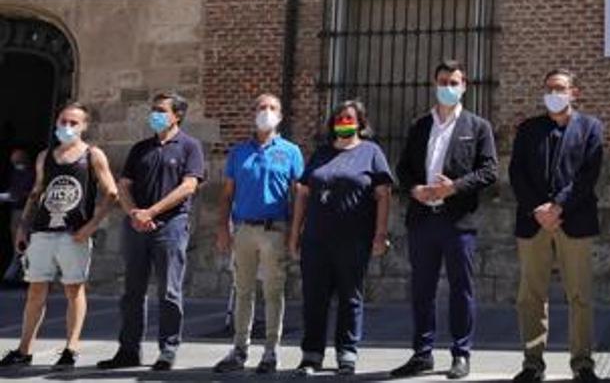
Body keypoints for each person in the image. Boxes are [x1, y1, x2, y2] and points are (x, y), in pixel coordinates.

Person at [391, 60, 498, 380]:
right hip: (423, 219)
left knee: (460, 289)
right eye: (443, 81)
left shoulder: (478, 127)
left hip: (457, 221)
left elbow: (489, 171)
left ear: (464, 86)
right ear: (434, 83)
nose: (448, 87)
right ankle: (422, 354)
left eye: (454, 82)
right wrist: (414, 189)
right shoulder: (419, 125)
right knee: (421, 289)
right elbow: (404, 168)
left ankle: (461, 354)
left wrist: (454, 188)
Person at [0, 104, 117, 370]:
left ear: (84, 126)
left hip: (73, 233)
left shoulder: (92, 155)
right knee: (35, 290)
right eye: (63, 121)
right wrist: (23, 226)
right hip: (42, 231)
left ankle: (71, 348)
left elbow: (111, 192)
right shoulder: (46, 156)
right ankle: (24, 349)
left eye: (74, 123)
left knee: (73, 289)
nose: (67, 126)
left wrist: (91, 226)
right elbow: (36, 192)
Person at [508, 69, 604, 383]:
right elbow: (517, 173)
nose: (554, 93)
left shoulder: (590, 128)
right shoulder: (528, 129)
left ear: (574, 92)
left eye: (560, 88)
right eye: (549, 88)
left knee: (580, 295)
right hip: (533, 222)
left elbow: (588, 175)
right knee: (530, 296)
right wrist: (538, 208)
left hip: (573, 220)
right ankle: (532, 362)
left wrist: (559, 206)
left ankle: (582, 363)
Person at [98, 92, 205, 372]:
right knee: (132, 292)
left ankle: (168, 349)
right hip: (137, 227)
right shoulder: (140, 148)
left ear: (177, 115)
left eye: (161, 110)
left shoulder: (190, 147)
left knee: (169, 291)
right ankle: (129, 350)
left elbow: (188, 186)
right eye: (153, 110)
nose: (155, 114)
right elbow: (123, 186)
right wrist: (134, 212)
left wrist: (152, 212)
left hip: (170, 227)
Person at [289, 99, 393, 376]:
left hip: (354, 239)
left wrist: (380, 234)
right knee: (314, 297)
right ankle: (311, 355)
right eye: (339, 118)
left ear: (360, 122)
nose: (343, 122)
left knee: (350, 297)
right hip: (316, 240)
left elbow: (383, 195)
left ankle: (347, 353)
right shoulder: (321, 154)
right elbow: (303, 193)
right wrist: (294, 235)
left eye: (349, 118)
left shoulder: (371, 152)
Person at [213, 94, 304, 374]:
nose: (266, 112)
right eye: (261, 107)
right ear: (253, 113)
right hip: (243, 229)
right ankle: (240, 349)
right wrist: (222, 229)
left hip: (274, 229)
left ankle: (270, 352)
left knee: (274, 292)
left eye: (272, 107)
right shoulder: (240, 152)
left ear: (280, 115)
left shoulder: (290, 151)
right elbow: (227, 194)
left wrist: (295, 233)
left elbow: (300, 194)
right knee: (243, 290)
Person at [0, 148, 35, 285]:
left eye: (17, 159)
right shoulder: (15, 173)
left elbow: (33, 192)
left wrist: (19, 195)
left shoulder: (32, 173)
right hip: (15, 209)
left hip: (26, 209)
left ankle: (19, 270)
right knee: (15, 236)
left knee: (23, 238)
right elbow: (14, 188)